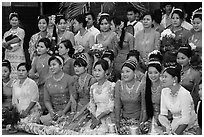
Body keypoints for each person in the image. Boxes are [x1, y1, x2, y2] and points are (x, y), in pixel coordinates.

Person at [79, 59, 115, 134]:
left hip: (107, 117)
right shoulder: (93, 87)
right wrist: (94, 118)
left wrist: (99, 118)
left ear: (106, 72)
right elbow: (92, 104)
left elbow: (111, 105)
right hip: (96, 116)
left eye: (99, 70)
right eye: (95, 70)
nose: (97, 73)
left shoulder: (111, 86)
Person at [158, 65, 197, 135]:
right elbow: (163, 115)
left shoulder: (184, 94)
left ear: (174, 79)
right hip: (174, 124)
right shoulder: (164, 91)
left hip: (189, 127)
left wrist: (174, 135)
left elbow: (186, 119)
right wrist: (165, 132)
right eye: (162, 77)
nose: (162, 79)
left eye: (165, 77)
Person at [40, 55, 76, 125]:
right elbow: (46, 100)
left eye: (54, 65)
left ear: (61, 65)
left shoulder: (69, 79)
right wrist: (51, 112)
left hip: (67, 112)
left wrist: (63, 112)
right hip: (54, 113)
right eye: (50, 65)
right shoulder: (48, 81)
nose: (51, 67)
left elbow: (73, 98)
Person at [114, 59, 143, 135]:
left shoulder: (141, 85)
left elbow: (144, 107)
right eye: (122, 72)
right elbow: (117, 105)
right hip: (124, 120)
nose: (124, 74)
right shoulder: (119, 85)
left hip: (138, 119)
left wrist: (141, 122)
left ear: (134, 72)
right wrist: (117, 121)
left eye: (127, 71)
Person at [139, 50, 163, 133]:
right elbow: (144, 106)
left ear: (160, 72)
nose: (153, 75)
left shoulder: (164, 87)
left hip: (164, 119)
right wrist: (143, 121)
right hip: (151, 118)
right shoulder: (145, 86)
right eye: (150, 73)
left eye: (156, 72)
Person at [29, 38, 51, 114]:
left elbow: (51, 74)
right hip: (38, 86)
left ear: (47, 49)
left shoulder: (50, 59)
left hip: (48, 86)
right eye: (38, 46)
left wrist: (42, 81)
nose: (39, 48)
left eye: (42, 47)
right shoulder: (36, 59)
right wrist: (34, 75)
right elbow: (31, 72)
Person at [2, 12, 25, 79]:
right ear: (10, 21)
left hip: (18, 57)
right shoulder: (6, 33)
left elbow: (18, 39)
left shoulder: (21, 31)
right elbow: (4, 44)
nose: (14, 21)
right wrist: (7, 46)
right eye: (12, 20)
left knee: (19, 74)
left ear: (19, 22)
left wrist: (8, 42)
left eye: (16, 20)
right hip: (9, 57)